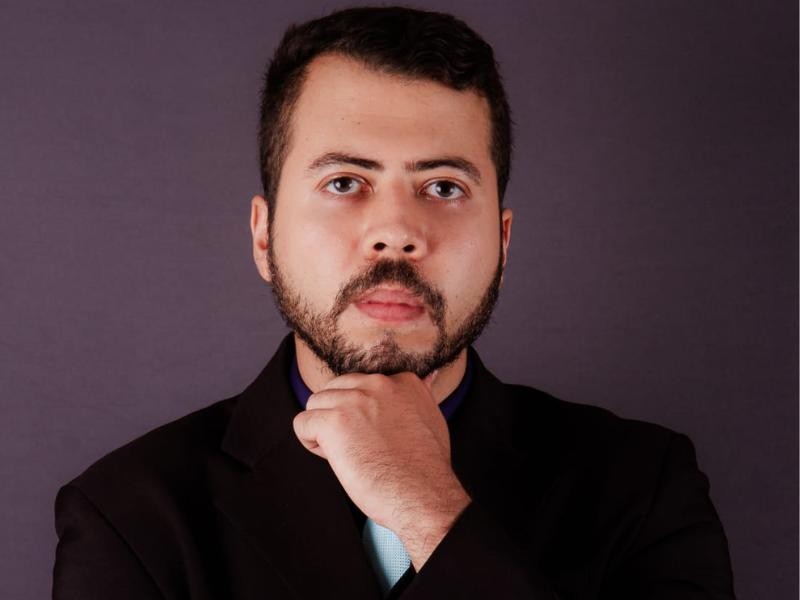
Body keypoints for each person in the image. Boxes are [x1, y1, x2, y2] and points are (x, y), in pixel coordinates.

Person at [52, 6, 736, 599]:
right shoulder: (129, 514)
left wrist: (431, 510)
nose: (397, 233)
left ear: (502, 242)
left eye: (443, 188)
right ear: (263, 236)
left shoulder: (644, 487)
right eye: (345, 182)